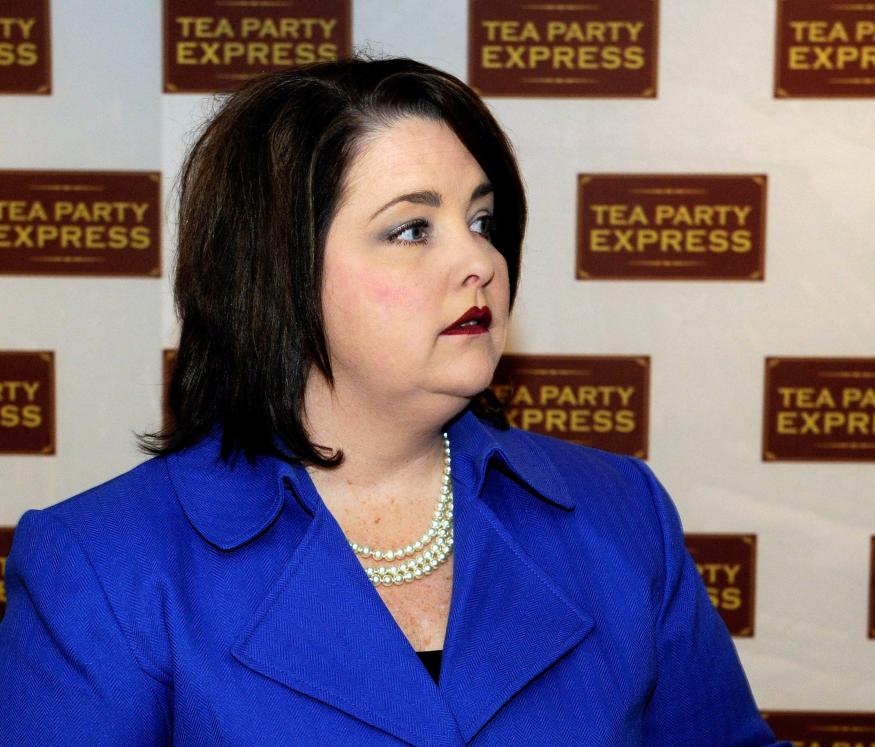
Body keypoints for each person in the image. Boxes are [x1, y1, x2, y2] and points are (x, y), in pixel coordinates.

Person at [0, 58, 788, 745]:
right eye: (413, 229)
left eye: (482, 219)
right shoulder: (104, 566)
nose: (478, 258)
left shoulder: (620, 514)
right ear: (278, 270)